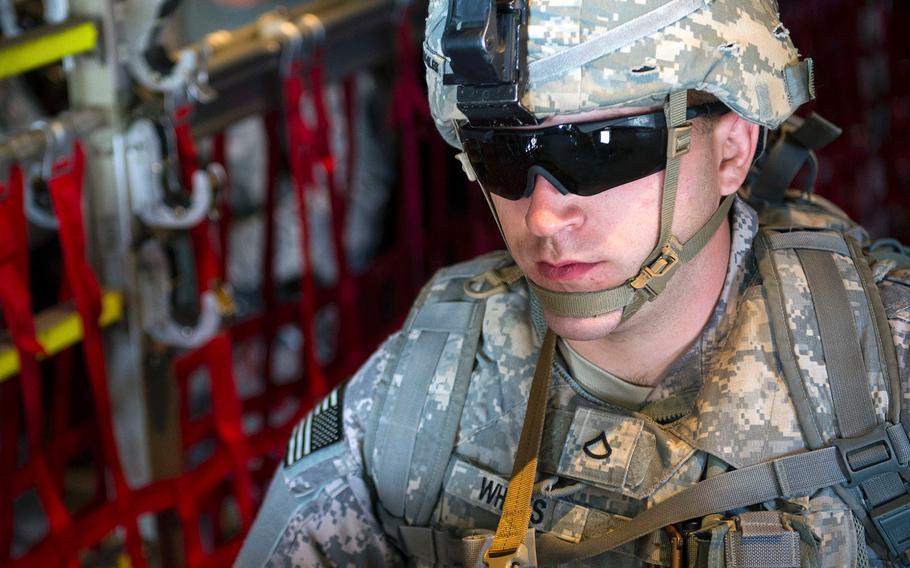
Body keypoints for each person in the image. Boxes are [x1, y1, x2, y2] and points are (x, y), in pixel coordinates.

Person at [236, 0, 910, 566]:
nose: (545, 214)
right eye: (503, 155)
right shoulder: (413, 397)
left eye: (602, 147)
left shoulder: (886, 369)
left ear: (731, 149)